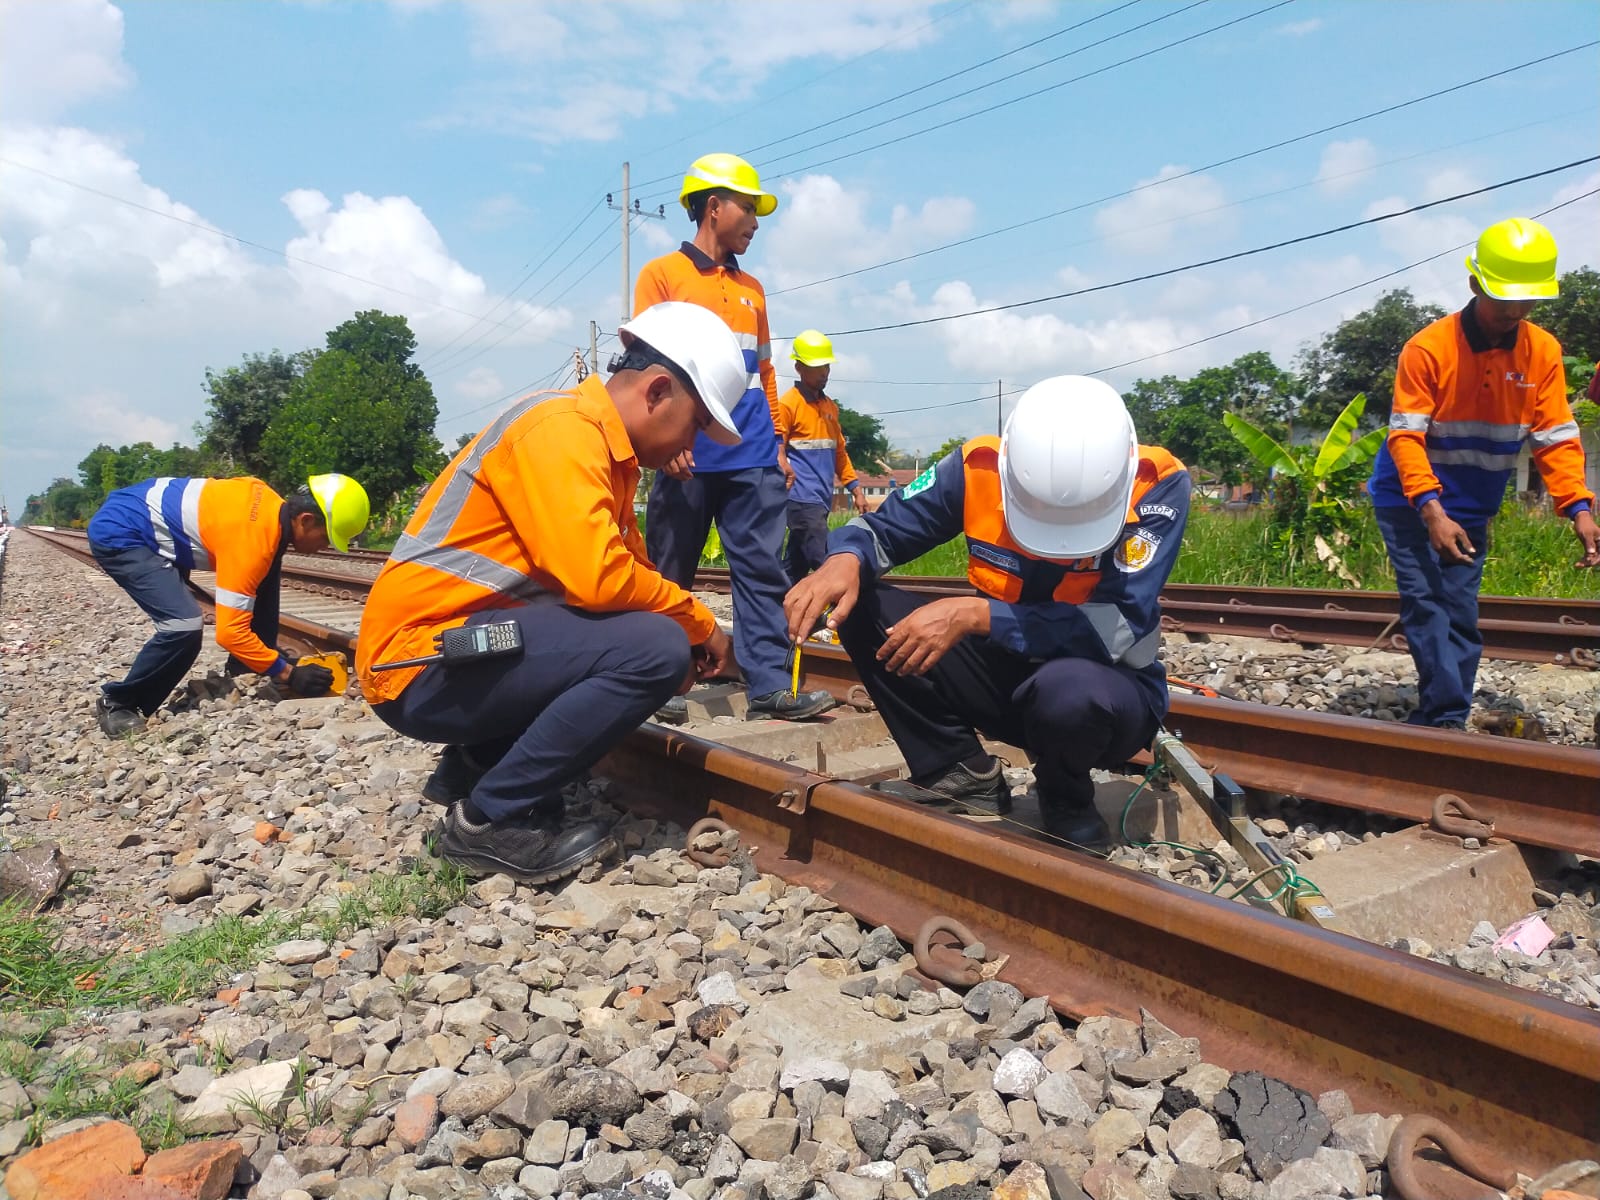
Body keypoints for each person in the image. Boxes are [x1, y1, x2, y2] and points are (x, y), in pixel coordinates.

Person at [356, 302, 748, 885]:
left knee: (655, 641)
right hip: (417, 664)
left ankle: (475, 765)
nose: (694, 444)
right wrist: (698, 626)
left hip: (452, 652)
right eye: (695, 424)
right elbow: (598, 576)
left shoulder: (607, 455)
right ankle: (488, 821)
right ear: (659, 390)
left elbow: (629, 574)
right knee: (654, 649)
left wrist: (686, 632)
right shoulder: (561, 430)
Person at [784, 376, 1190, 851]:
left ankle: (1065, 796)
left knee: (1068, 693)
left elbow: (1118, 628)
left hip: (1102, 692)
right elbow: (884, 530)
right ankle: (957, 770)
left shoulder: (1155, 484)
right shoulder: (977, 468)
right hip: (1007, 677)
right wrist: (843, 560)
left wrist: (976, 616)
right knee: (859, 604)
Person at [1368, 217, 1597, 730]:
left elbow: (1556, 437)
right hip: (1409, 498)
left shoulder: (1543, 352)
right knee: (1427, 604)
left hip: (1472, 503)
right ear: (1476, 285)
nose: (1516, 312)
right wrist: (1431, 510)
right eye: (1505, 300)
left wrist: (1577, 506)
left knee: (1460, 611)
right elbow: (1406, 438)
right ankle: (1447, 716)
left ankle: (1443, 710)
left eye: (1527, 302)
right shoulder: (1428, 349)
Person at [635, 152, 834, 723]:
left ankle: (768, 686)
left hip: (750, 456)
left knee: (760, 570)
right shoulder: (662, 276)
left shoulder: (754, 290)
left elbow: (764, 371)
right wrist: (665, 442)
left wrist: (774, 441)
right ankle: (658, 684)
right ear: (713, 206)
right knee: (670, 570)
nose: (754, 222)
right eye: (748, 208)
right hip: (688, 453)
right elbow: (648, 367)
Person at [86, 473, 370, 736]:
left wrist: (264, 660)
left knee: (269, 569)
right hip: (123, 532)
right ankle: (119, 702)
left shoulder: (270, 507)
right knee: (183, 626)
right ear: (306, 520)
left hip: (140, 512)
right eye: (327, 537)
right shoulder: (250, 541)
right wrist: (289, 673)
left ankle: (244, 668)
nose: (326, 547)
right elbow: (229, 633)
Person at [777, 329, 860, 583]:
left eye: (826, 365)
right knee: (823, 559)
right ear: (799, 367)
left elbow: (839, 453)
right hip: (800, 498)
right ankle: (845, 609)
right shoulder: (788, 405)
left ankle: (778, 606)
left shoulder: (830, 408)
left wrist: (855, 489)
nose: (824, 372)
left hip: (820, 499)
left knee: (795, 565)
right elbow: (775, 446)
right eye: (817, 367)